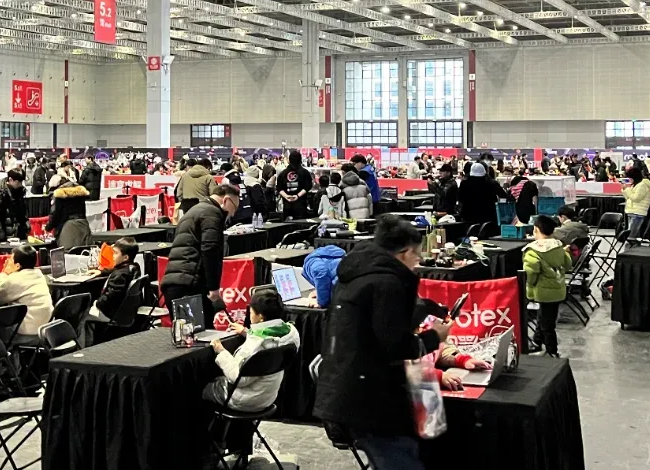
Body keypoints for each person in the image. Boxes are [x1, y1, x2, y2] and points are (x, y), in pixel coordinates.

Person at [314, 218, 451, 470]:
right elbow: (395, 345)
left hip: (350, 389)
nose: (417, 263)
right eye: (417, 256)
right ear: (405, 253)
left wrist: (423, 311)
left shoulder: (357, 274)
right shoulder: (388, 283)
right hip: (369, 396)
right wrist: (435, 337)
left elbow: (375, 327)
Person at [203, 289, 300, 411]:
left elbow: (236, 377)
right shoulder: (289, 334)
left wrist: (221, 351)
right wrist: (246, 332)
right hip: (267, 397)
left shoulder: (256, 344)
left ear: (260, 317)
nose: (250, 315)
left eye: (251, 312)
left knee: (201, 386)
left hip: (244, 400)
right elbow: (268, 340)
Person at [161, 184, 240, 329]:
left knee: (184, 334)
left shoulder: (195, 211)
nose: (233, 214)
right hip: (190, 284)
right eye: (234, 207)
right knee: (200, 335)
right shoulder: (212, 213)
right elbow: (210, 250)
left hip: (176, 281)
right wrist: (214, 288)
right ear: (226, 200)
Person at [524, 215, 573, 357]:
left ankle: (552, 351)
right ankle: (536, 341)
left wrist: (530, 285)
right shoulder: (559, 246)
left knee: (547, 324)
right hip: (558, 289)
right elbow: (568, 265)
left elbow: (530, 272)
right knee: (544, 317)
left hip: (542, 291)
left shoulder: (533, 250)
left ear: (535, 230)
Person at [0, 244, 53, 343]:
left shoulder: (14, 279)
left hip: (29, 333)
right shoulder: (39, 274)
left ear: (17, 265)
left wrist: (4, 272)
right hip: (48, 329)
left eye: (10, 259)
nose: (8, 261)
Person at [88, 237, 140, 323]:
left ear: (125, 257)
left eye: (115, 253)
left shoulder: (120, 276)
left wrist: (96, 303)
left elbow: (109, 298)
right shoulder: (134, 268)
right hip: (126, 312)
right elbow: (116, 270)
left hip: (111, 315)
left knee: (82, 314)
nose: (112, 256)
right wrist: (101, 272)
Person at [458, 162, 506, 226]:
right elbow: (503, 195)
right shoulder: (491, 183)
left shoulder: (464, 184)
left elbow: (460, 199)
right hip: (488, 217)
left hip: (468, 217)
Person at [0, 169, 29, 240]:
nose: (20, 184)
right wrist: (0, 236)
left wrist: (26, 227)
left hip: (18, 235)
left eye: (21, 182)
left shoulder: (19, 192)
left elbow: (23, 214)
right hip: (3, 237)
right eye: (18, 182)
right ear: (10, 180)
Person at [275, 151, 312, 218]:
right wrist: (297, 196)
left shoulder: (283, 173)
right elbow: (307, 187)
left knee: (288, 223)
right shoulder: (305, 173)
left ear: (289, 160)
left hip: (287, 206)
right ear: (300, 160)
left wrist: (286, 196)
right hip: (301, 206)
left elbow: (279, 188)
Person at [621, 167, 650, 239]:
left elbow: (636, 198)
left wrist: (627, 189)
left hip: (638, 212)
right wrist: (624, 190)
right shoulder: (634, 185)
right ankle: (634, 245)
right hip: (631, 211)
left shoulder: (642, 185)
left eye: (630, 178)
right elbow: (628, 198)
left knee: (631, 235)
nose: (629, 180)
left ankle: (629, 245)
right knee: (634, 235)